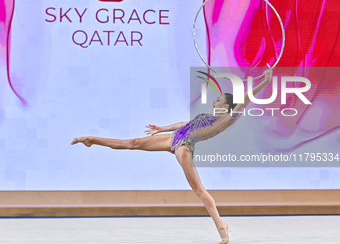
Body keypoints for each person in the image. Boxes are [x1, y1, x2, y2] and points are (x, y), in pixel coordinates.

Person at [71, 67, 273, 244]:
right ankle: (90, 139)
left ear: (227, 106)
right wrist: (160, 128)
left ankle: (221, 225)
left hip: (184, 146)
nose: (214, 100)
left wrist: (264, 81)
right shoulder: (208, 116)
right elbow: (185, 124)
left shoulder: (228, 119)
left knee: (198, 189)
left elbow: (245, 98)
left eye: (218, 99)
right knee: (132, 143)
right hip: (173, 137)